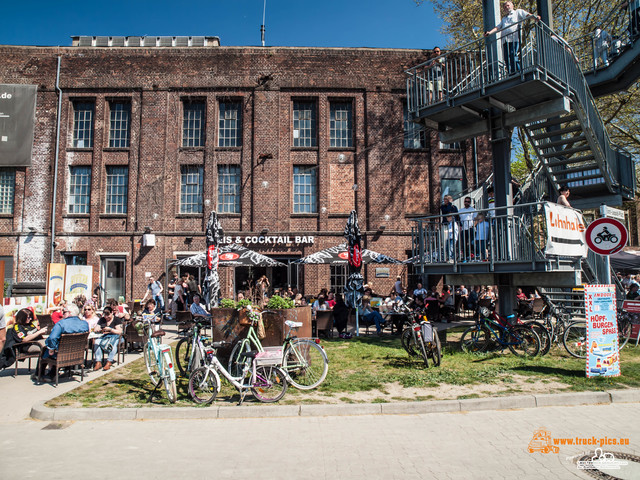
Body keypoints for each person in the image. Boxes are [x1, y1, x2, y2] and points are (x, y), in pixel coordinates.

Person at [485, 2, 540, 75]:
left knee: (512, 54)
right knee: (506, 58)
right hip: (505, 40)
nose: (506, 7)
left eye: (508, 5)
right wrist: (489, 33)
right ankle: (511, 73)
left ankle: (517, 72)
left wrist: (535, 18)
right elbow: (498, 27)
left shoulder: (517, 12)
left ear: (512, 6)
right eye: (505, 7)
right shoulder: (504, 18)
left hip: (514, 38)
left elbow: (527, 15)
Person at [92, 306, 123, 371]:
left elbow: (120, 331)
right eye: (105, 315)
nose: (106, 317)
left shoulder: (116, 320)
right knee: (97, 342)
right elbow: (96, 328)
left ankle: (109, 361)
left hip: (116, 337)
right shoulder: (102, 319)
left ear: (112, 313)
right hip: (104, 336)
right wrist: (99, 329)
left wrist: (110, 329)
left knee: (112, 345)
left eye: (108, 315)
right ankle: (98, 361)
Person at [458, 196, 477, 261]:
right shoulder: (460, 210)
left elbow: (476, 219)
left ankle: (472, 255)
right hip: (463, 229)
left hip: (470, 228)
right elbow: (458, 219)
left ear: (470, 203)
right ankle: (465, 256)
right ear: (464, 202)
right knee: (464, 243)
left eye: (468, 202)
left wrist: (473, 225)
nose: (467, 203)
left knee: (471, 242)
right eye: (466, 201)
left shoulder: (473, 210)